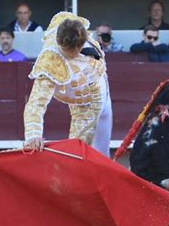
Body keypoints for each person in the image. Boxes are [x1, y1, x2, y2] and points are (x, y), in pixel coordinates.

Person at [23, 12, 113, 157]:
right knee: (78, 155)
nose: (76, 52)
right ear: (59, 42)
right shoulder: (51, 60)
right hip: (85, 104)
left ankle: (103, 178)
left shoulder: (71, 24)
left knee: (103, 152)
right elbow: (36, 102)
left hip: (103, 84)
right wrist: (33, 134)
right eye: (71, 51)